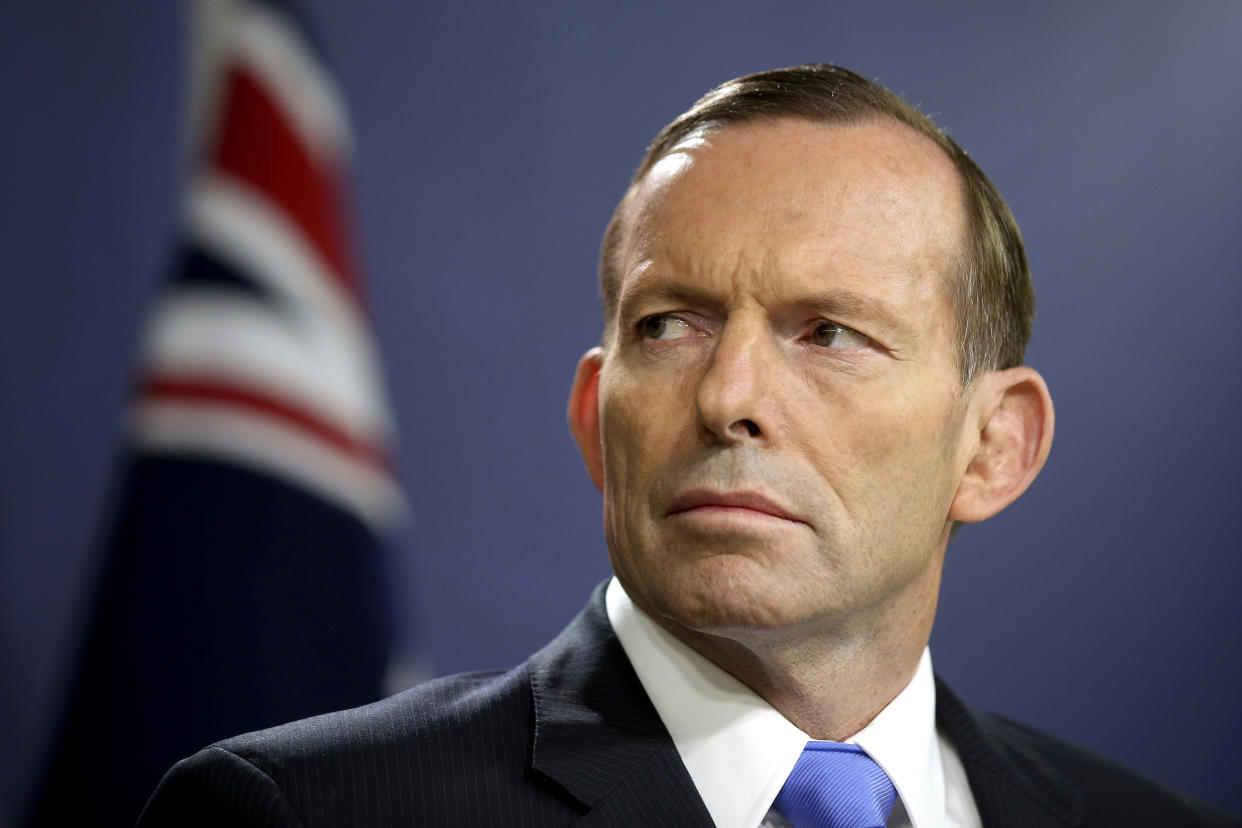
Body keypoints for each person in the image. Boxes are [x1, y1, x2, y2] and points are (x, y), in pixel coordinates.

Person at [139, 64, 1237, 827]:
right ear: (594, 419)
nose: (729, 397)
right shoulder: (299, 816)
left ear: (994, 446)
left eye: (831, 334)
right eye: (669, 326)